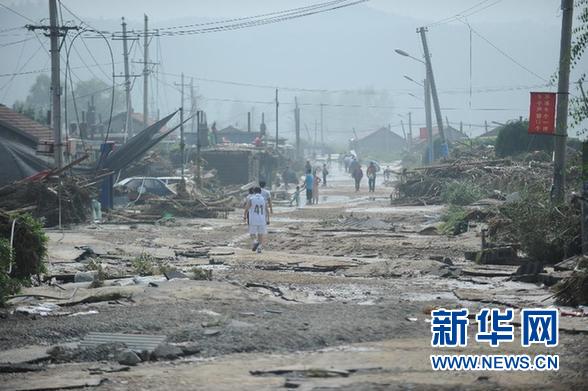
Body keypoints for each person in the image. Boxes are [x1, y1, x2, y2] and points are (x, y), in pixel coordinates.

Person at [244, 187, 268, 253]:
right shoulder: (263, 199)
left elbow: (246, 208)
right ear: (260, 192)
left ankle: (255, 241)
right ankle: (259, 247)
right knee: (260, 234)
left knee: (252, 233)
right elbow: (266, 210)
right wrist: (268, 219)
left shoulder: (251, 199)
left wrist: (244, 216)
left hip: (253, 219)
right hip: (262, 219)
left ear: (254, 192)